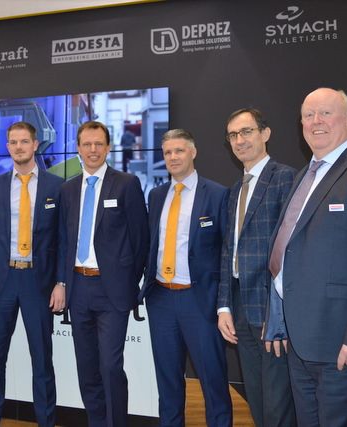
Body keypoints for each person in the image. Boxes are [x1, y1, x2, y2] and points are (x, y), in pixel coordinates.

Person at [265, 87, 347, 426]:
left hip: (346, 348)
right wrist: (279, 320)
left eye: (326, 113)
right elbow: (288, 252)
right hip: (302, 345)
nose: (316, 121)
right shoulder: (303, 176)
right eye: (308, 115)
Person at [57, 120, 149, 427]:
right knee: (87, 370)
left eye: (99, 144)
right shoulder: (68, 189)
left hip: (112, 292)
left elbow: (141, 239)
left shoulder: (126, 184)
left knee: (110, 366)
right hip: (78, 288)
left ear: (108, 148)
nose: (93, 150)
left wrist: (128, 281)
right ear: (78, 148)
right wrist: (62, 282)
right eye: (87, 144)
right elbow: (63, 240)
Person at [139, 129, 232, 426]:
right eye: (167, 152)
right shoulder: (156, 196)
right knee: (167, 383)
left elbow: (227, 251)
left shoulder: (217, 194)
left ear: (193, 152)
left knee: (213, 382)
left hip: (199, 301)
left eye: (179, 151)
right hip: (161, 299)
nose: (173, 157)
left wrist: (223, 303)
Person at [0, 121, 64, 427]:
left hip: (39, 283)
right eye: (13, 142)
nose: (18, 147)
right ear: (8, 146)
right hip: (0, 284)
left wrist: (61, 282)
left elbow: (63, 240)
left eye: (24, 141)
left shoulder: (56, 186)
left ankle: (46, 422)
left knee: (42, 361)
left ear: (35, 145)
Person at [216, 108, 296, 427]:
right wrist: (224, 306)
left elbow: (290, 250)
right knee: (258, 403)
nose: (239, 140)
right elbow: (229, 250)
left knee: (277, 405)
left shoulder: (284, 178)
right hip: (240, 309)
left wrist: (278, 314)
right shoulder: (236, 189)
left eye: (246, 131)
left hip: (271, 310)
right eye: (233, 135)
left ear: (265, 133)